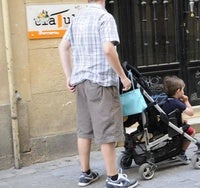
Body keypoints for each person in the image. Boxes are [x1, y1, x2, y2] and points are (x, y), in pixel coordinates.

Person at [58, 0, 138, 187]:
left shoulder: (77, 18)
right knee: (107, 130)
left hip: (82, 82)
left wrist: (69, 77)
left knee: (84, 130)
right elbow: (108, 49)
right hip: (101, 81)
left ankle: (85, 174)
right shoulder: (105, 17)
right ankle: (113, 178)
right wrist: (123, 77)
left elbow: (62, 47)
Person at [161, 75, 195, 164]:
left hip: (165, 125)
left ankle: (174, 151)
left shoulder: (166, 99)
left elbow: (173, 112)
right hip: (172, 128)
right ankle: (181, 153)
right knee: (191, 131)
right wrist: (186, 100)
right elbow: (191, 113)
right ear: (178, 91)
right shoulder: (177, 102)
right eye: (183, 90)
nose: (183, 92)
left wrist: (181, 118)